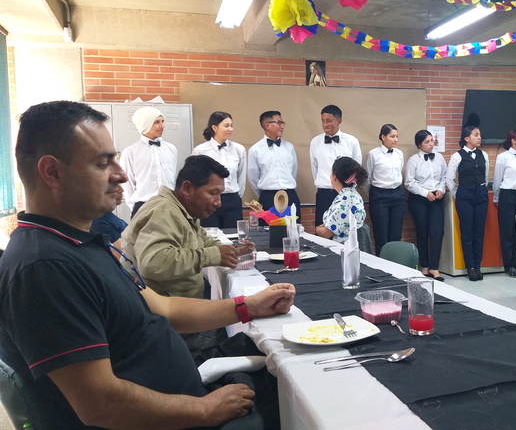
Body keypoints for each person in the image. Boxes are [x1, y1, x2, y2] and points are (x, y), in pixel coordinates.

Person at [0, 100, 296, 429]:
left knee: (285, 373)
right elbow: (100, 404)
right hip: (178, 416)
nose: (121, 174)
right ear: (52, 172)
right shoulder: (44, 266)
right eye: (103, 163)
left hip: (184, 397)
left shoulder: (81, 245)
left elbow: (164, 309)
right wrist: (204, 409)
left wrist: (249, 306)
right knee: (295, 396)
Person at [123, 155, 252, 299]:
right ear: (187, 188)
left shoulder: (183, 210)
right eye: (213, 193)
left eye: (220, 194)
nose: (218, 203)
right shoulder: (164, 212)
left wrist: (231, 251)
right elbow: (153, 263)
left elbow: (201, 240)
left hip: (182, 300)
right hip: (164, 308)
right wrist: (214, 255)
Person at [447, 126, 489, 282]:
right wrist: (458, 194)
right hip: (465, 195)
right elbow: (450, 179)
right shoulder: (457, 156)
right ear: (466, 138)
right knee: (467, 232)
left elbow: (486, 175)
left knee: (479, 232)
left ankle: (478, 265)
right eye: (476, 135)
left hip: (481, 194)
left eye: (480, 134)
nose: (479, 137)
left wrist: (482, 189)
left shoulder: (483, 155)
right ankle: (470, 266)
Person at [309, 105, 362, 229]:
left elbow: (357, 169)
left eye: (329, 121)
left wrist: (348, 189)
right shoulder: (315, 142)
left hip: (345, 193)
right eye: (323, 120)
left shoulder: (352, 141)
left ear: (339, 121)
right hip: (324, 193)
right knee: (322, 230)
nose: (325, 124)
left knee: (345, 230)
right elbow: (314, 167)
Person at [119, 106, 178, 218]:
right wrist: (136, 210)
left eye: (162, 121)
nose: (162, 126)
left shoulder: (171, 149)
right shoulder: (130, 152)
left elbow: (172, 178)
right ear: (145, 124)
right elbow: (127, 185)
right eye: (156, 122)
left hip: (168, 206)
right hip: (143, 207)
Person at [404, 130, 447, 281]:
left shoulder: (439, 157)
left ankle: (435, 267)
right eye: (427, 142)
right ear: (419, 145)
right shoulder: (413, 160)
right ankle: (425, 266)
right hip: (419, 199)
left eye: (431, 141)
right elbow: (409, 182)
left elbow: (444, 176)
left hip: (436, 197)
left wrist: (441, 189)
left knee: (437, 232)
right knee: (422, 232)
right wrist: (425, 193)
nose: (431, 144)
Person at [192, 111, 247, 228]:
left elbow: (241, 176)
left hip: (232, 199)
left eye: (231, 125)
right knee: (211, 234)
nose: (230, 129)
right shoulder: (200, 150)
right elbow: (195, 178)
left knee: (234, 234)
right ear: (214, 127)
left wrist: (236, 196)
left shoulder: (239, 149)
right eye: (226, 126)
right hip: (209, 199)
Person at [248, 110, 301, 220]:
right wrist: (264, 193)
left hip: (289, 194)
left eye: (283, 123)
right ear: (267, 125)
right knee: (268, 229)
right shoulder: (255, 149)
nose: (282, 126)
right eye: (279, 123)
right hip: (268, 197)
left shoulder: (289, 147)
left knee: (293, 228)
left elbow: (293, 171)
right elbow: (253, 177)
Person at [493, 129, 516, 278]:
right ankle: (509, 266)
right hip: (507, 194)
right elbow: (497, 179)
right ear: (513, 141)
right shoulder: (503, 157)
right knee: (507, 231)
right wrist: (497, 198)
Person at [365, 124, 406, 255]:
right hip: (379, 195)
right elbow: (367, 178)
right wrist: (375, 193)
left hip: (398, 194)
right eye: (392, 136)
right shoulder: (373, 154)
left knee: (396, 234)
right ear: (383, 137)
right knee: (381, 234)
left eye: (397, 136)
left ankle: (395, 263)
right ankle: (381, 264)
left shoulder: (399, 153)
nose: (395, 139)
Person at [314, 157, 367, 243]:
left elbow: (325, 233)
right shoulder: (351, 195)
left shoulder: (346, 199)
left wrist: (317, 229)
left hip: (344, 247)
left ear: (335, 177)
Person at [91, 185, 127, 258]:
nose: (121, 190)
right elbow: (123, 258)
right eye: (114, 185)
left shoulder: (106, 215)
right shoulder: (99, 223)